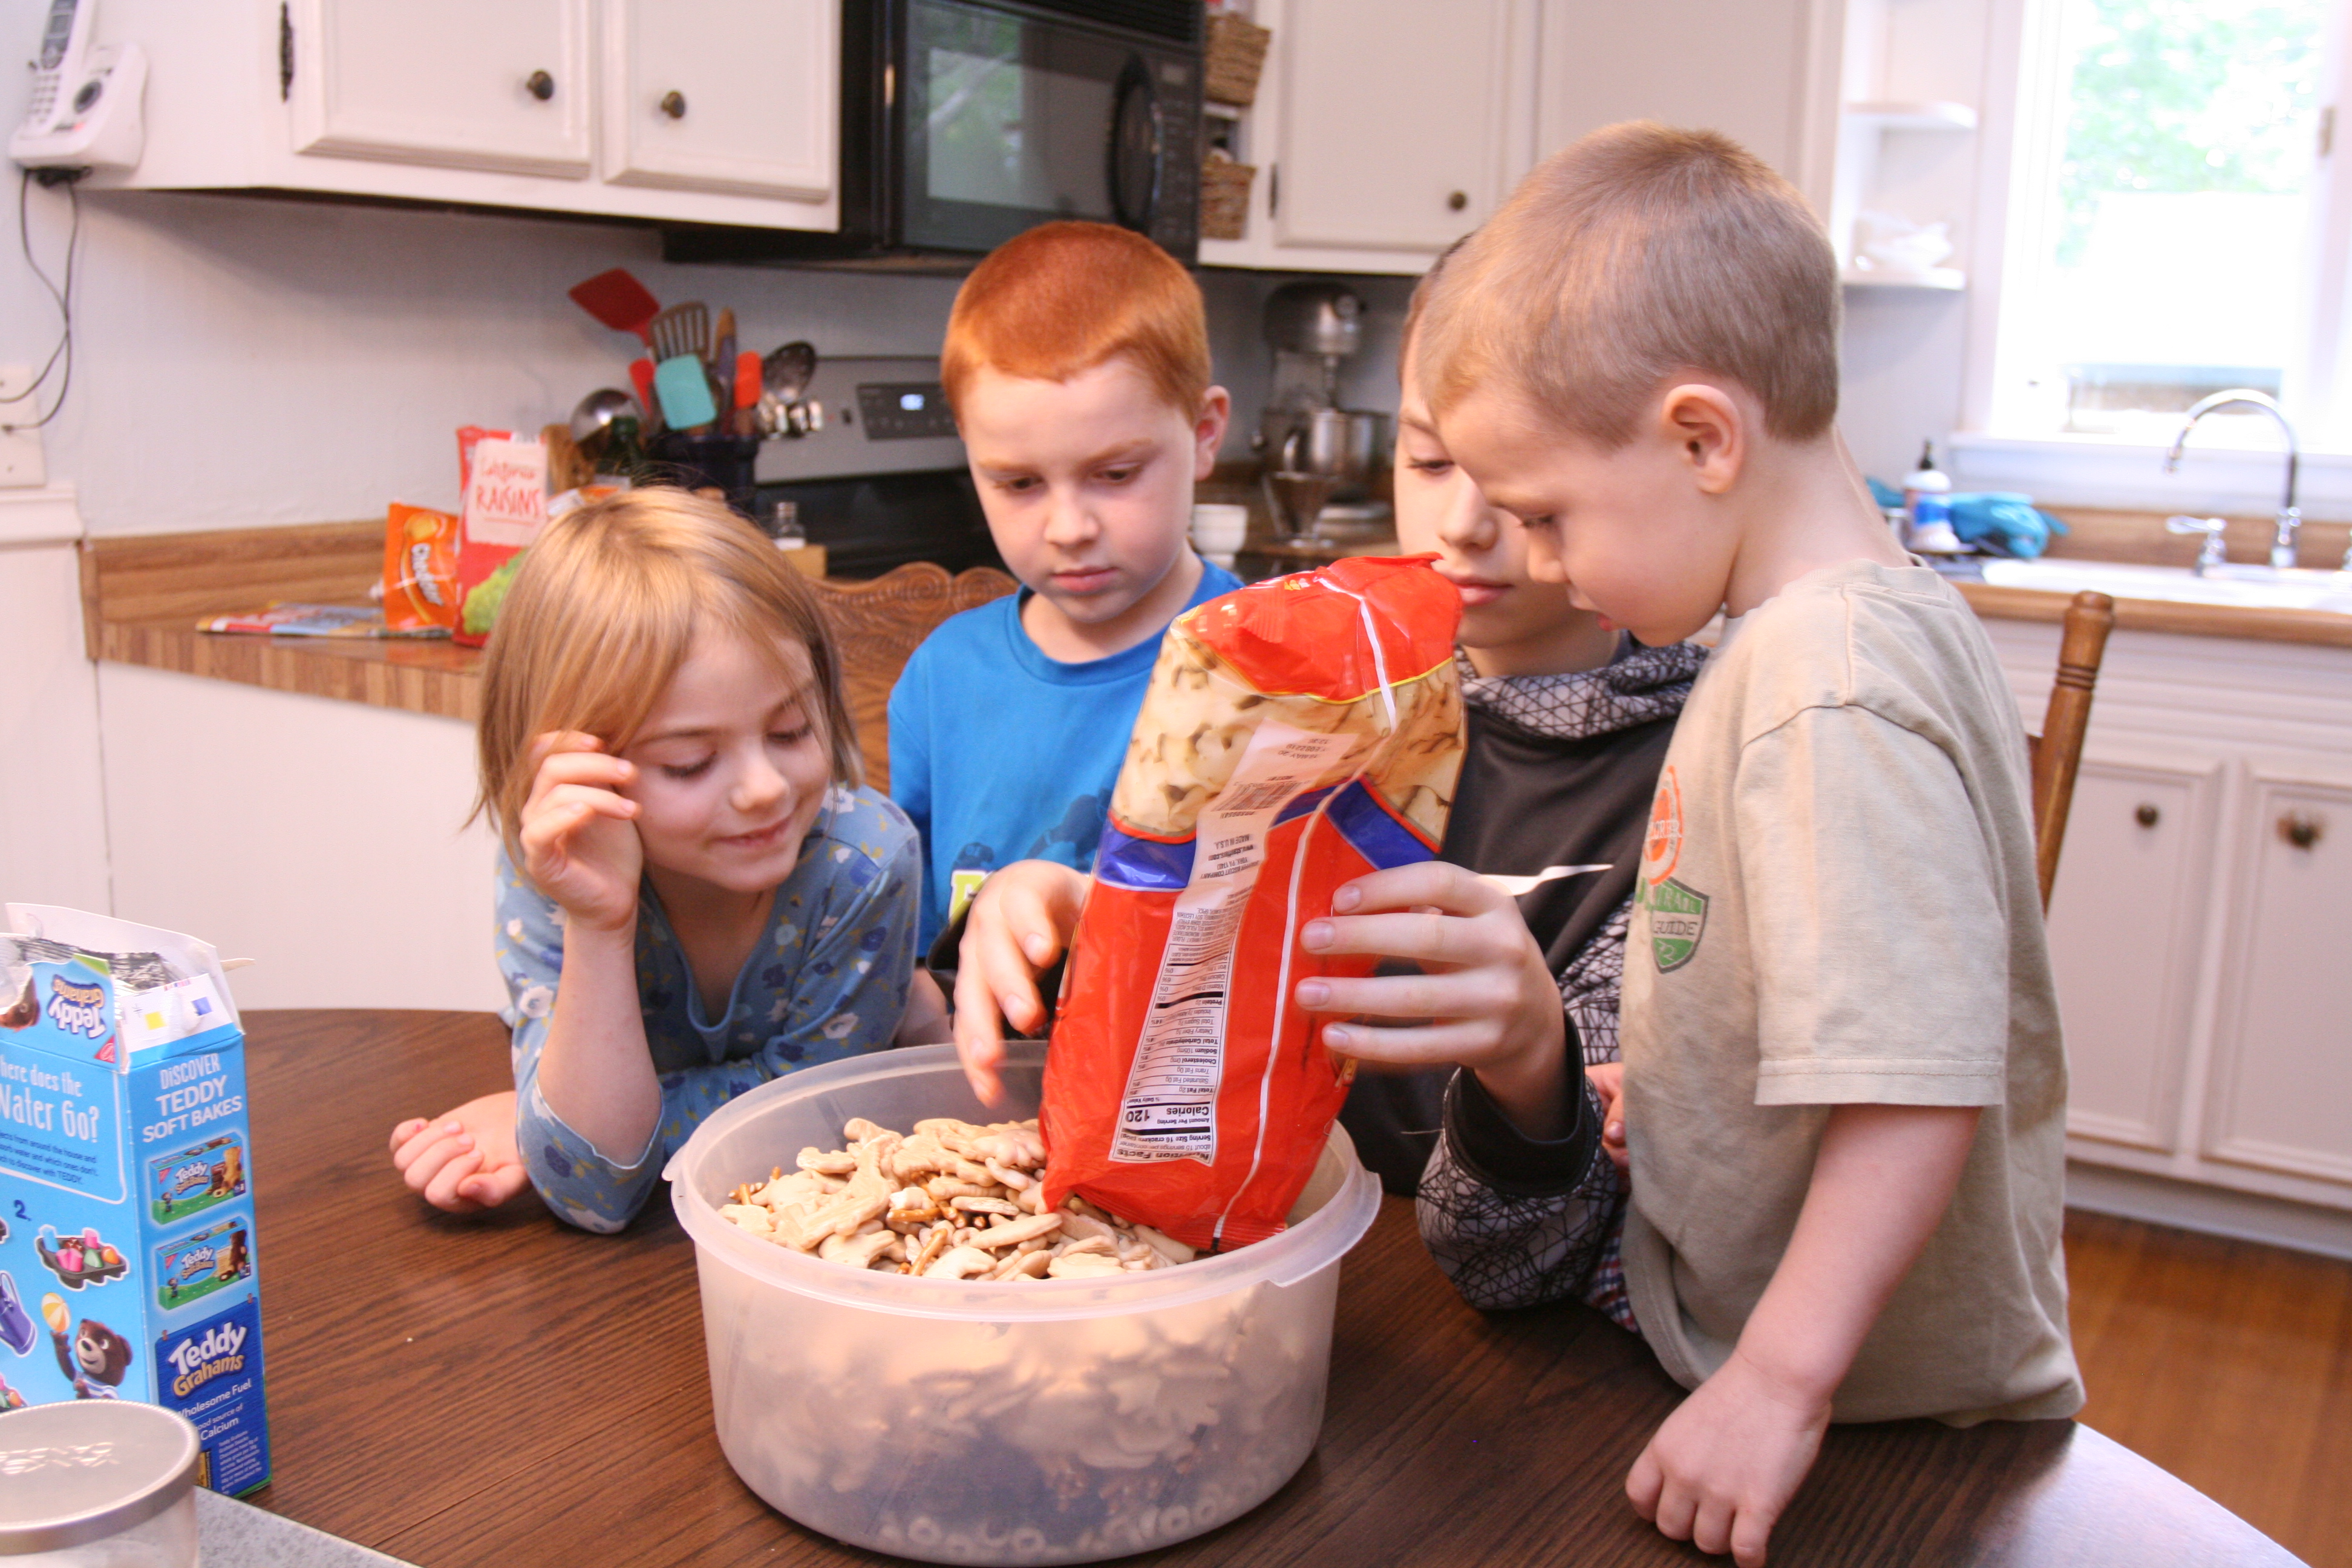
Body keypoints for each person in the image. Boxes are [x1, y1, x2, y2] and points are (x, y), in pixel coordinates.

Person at [1396, 123, 2082, 1565]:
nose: (1532, 558)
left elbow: (1913, 1082)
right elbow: (1853, 972)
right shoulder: (1861, 629)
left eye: (1549, 512)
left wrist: (1777, 1384)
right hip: (1768, 1333)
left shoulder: (1820, 689)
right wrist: (1693, 1077)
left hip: (1848, 1412)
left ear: (1702, 438)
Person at [388, 489, 921, 1230]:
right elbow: (597, 1194)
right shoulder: (560, 862)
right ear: (578, 773)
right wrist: (600, 924)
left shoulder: (863, 863)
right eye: (690, 762)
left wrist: (540, 1122)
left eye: (793, 729)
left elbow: (820, 1137)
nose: (766, 789)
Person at [887, 221, 1243, 978]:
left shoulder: (1266, 669)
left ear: (1205, 433)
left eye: (1116, 475)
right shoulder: (941, 676)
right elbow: (914, 950)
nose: (1070, 529)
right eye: (1018, 483)